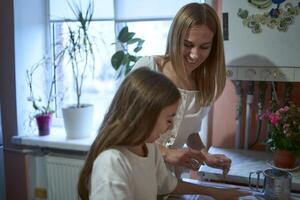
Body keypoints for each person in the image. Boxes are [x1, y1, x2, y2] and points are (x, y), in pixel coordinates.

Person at [77, 67, 249, 200]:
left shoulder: (149, 149)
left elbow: (169, 185)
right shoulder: (112, 163)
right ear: (145, 116)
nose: (171, 126)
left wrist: (214, 192)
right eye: (169, 119)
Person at [131, 3, 231, 175]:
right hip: (135, 168)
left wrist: (205, 155)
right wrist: (166, 153)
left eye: (204, 47)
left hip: (169, 177)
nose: (194, 54)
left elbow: (189, 132)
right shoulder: (150, 68)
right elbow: (125, 127)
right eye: (187, 44)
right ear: (174, 38)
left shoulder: (206, 86)